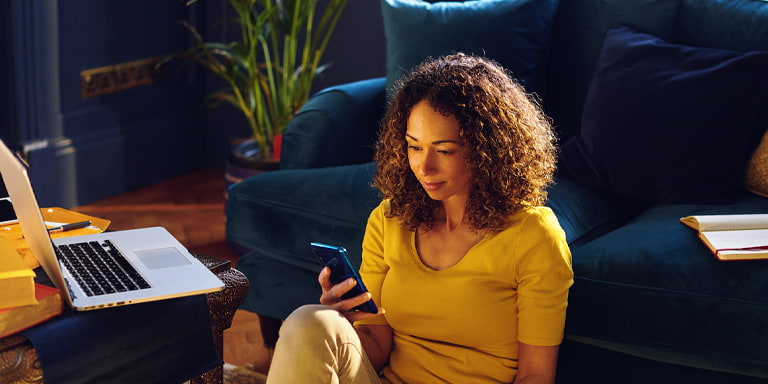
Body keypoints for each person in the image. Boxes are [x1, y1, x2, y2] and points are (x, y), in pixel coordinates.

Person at [266, 53, 574, 384]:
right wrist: (345, 317)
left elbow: (536, 376)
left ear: (488, 150)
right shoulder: (390, 219)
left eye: (444, 151)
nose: (424, 168)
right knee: (310, 320)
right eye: (414, 147)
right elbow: (376, 349)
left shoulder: (534, 235)